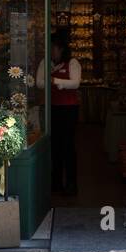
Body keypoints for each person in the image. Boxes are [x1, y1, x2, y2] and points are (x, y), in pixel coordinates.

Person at [39, 30, 81, 195]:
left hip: (69, 109)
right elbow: (39, 83)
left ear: (61, 48)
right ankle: (55, 183)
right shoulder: (46, 63)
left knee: (68, 147)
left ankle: (71, 184)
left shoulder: (73, 63)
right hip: (53, 108)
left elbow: (76, 83)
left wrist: (54, 81)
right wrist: (58, 82)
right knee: (54, 147)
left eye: (53, 48)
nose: (51, 51)